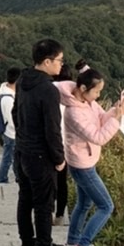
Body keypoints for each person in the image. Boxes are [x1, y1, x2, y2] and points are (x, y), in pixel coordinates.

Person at [55, 62, 124, 246]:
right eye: (96, 92)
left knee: (84, 203)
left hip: (86, 161)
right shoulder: (73, 113)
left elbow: (101, 119)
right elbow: (99, 136)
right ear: (83, 88)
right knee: (106, 206)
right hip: (82, 165)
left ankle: (73, 241)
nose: (98, 96)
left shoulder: (87, 102)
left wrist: (115, 110)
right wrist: (117, 119)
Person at [12, 38, 67, 246]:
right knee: (44, 202)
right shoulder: (48, 90)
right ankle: (44, 244)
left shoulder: (23, 80)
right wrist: (59, 158)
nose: (61, 64)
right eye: (59, 60)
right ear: (46, 61)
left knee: (25, 198)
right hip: (41, 155)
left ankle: (27, 241)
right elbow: (52, 128)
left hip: (22, 150)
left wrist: (22, 136)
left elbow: (15, 113)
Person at [53, 61, 72, 224]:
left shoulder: (50, 96)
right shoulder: (73, 102)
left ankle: (49, 211)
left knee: (50, 181)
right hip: (67, 147)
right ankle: (60, 214)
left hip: (51, 145)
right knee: (62, 182)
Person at [0, 66, 20, 185]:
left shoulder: (6, 93)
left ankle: (16, 177)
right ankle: (2, 178)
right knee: (8, 157)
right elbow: (11, 119)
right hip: (11, 133)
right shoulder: (8, 98)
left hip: (10, 132)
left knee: (13, 157)